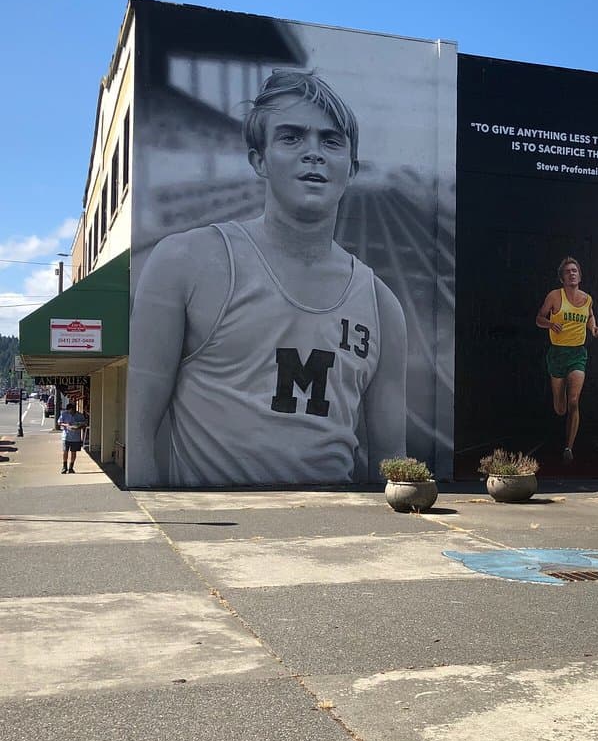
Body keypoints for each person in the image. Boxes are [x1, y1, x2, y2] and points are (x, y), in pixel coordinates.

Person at [129, 70, 407, 488]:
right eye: (291, 137)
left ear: (351, 168)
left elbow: (392, 465)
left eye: (331, 141)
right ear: (259, 160)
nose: (313, 153)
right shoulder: (187, 262)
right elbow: (137, 432)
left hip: (341, 540)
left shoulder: (381, 304)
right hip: (217, 540)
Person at [536, 256, 598, 462]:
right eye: (567, 271)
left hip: (577, 354)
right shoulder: (555, 297)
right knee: (560, 408)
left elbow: (590, 315)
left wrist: (594, 328)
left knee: (574, 401)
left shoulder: (587, 298)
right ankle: (559, 400)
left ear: (580, 275)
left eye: (575, 270)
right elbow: (539, 318)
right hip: (557, 353)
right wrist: (550, 324)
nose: (572, 273)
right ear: (562, 278)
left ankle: (568, 447)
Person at [59, 399, 86, 474]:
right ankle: (64, 467)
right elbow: (59, 422)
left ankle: (71, 467)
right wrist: (66, 425)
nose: (70, 412)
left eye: (71, 411)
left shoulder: (80, 415)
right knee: (65, 451)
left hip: (76, 437)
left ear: (74, 409)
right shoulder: (64, 414)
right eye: (68, 411)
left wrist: (78, 427)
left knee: (73, 452)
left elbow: (84, 424)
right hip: (66, 436)